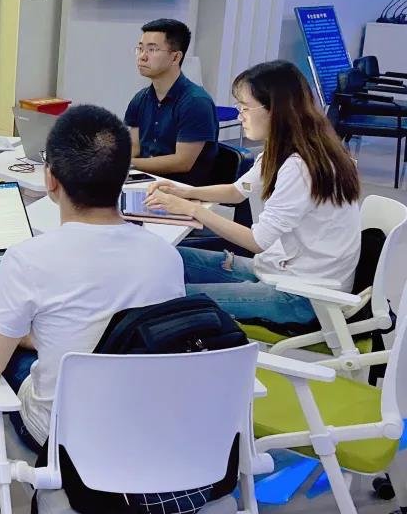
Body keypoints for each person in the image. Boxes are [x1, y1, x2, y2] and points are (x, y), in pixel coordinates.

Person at [0, 105, 185, 469]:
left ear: (50, 179)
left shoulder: (28, 258)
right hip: (147, 428)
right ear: (124, 176)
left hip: (62, 436)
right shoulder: (166, 256)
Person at [146, 60, 362, 330]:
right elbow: (238, 191)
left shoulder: (300, 167)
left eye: (245, 108)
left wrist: (192, 209)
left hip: (302, 296)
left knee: (164, 296)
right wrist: (186, 192)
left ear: (275, 110)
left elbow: (257, 241)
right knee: (163, 257)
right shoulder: (291, 148)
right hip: (280, 271)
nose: (240, 116)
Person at [125, 18, 219, 186]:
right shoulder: (140, 99)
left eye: (152, 49)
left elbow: (182, 162)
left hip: (183, 190)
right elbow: (135, 147)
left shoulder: (196, 102)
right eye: (140, 49)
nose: (142, 57)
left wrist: (127, 164)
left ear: (175, 57)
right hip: (146, 183)